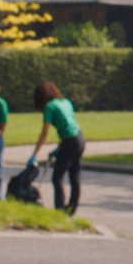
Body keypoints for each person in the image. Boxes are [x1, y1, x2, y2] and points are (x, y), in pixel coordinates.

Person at [29, 81, 86, 215]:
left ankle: (59, 210)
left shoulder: (49, 107)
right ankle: (72, 208)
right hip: (79, 138)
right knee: (74, 176)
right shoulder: (65, 102)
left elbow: (44, 132)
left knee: (57, 178)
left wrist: (34, 154)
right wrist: (60, 148)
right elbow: (68, 126)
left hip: (70, 141)